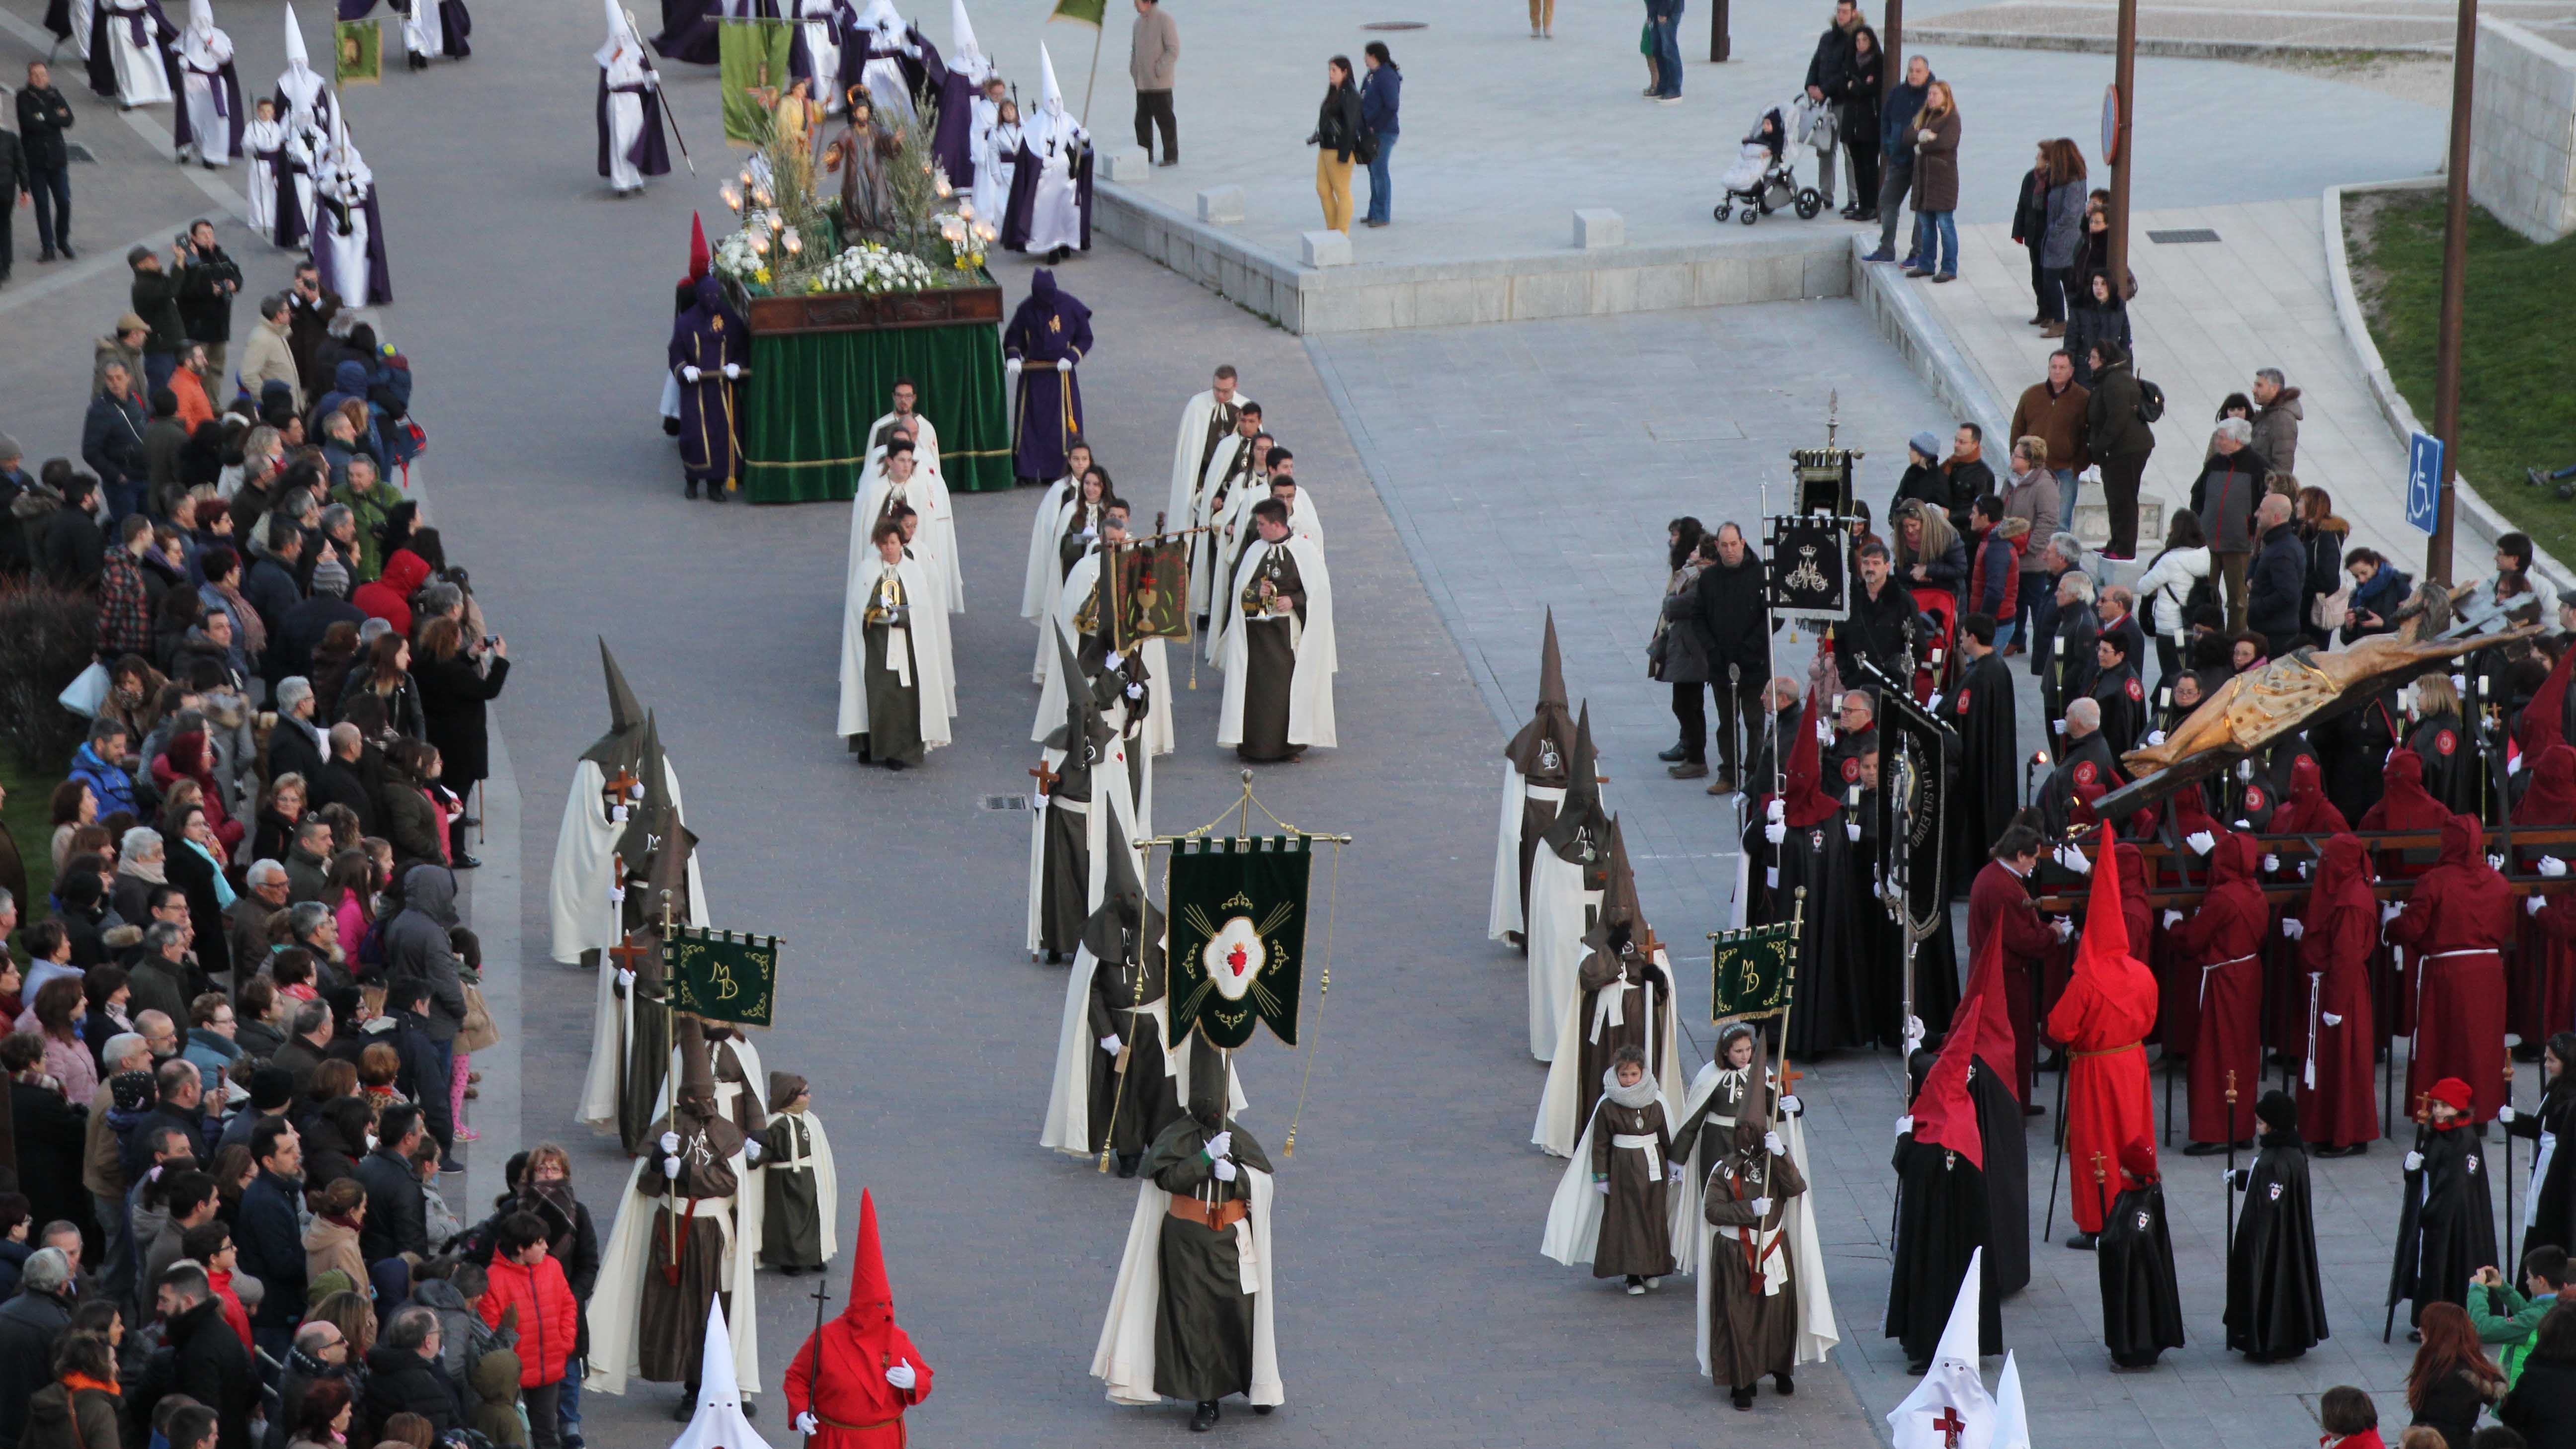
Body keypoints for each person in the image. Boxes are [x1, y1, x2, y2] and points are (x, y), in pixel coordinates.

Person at [1092, 1038, 1281, 1430]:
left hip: (1229, 1243)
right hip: (1186, 1245)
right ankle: (1206, 1398)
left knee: (1237, 1316)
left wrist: (1240, 1177)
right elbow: (1167, 1178)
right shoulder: (1176, 1137)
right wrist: (1205, 1159)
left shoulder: (1238, 1138)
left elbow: (1264, 1183)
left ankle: (1253, 1382)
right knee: (1195, 1322)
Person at [586, 1022, 764, 1415]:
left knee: (714, 1308)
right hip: (673, 1233)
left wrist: (684, 1173)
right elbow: (645, 1184)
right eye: (692, 1095)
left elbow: (728, 1180)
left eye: (704, 1095)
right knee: (679, 1311)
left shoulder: (728, 1134)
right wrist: (655, 1159)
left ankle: (719, 1381)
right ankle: (689, 1384)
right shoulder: (667, 1126)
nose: (699, 1102)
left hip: (713, 1237)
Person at [2048, 830, 2157, 1249]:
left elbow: (2059, 1029)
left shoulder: (2087, 979)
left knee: (2098, 1143)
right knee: (2132, 1133)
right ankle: (2140, 1208)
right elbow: (2149, 1017)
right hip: (2131, 1063)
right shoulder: (2142, 974)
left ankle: (2099, 1220)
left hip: (2095, 1068)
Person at [784, 1190, 932, 1446]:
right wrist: (799, 1412)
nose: (885, 1313)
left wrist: (913, 1381)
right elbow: (797, 1378)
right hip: (837, 1439)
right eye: (877, 1306)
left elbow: (924, 1377)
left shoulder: (897, 1339)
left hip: (884, 1439)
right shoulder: (828, 1339)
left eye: (888, 1305)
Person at [2391, 817, 2514, 1123]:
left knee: (2446, 1046)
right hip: (2487, 972)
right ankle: (2480, 1109)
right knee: (2481, 1046)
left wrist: (2390, 924)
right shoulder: (2498, 882)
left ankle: (2445, 1111)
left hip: (2449, 973)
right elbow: (2508, 930)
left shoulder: (2435, 881)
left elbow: (2413, 927)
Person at [1217, 499, 1335, 763]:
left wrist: (1293, 601)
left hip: (1286, 636)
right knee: (1256, 691)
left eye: (1261, 524)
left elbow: (1318, 593)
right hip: (1257, 637)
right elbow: (1238, 593)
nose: (1257, 529)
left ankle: (1287, 747)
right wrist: (1255, 592)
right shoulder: (1255, 551)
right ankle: (1252, 747)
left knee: (1284, 691)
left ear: (1277, 524)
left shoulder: (1304, 551)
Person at [836, 520, 957, 770]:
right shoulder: (867, 570)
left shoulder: (913, 572)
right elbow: (857, 607)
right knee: (874, 694)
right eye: (884, 543)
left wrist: (900, 617)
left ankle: (899, 751)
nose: (889, 548)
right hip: (875, 648)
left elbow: (923, 610)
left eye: (893, 543)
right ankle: (868, 747)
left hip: (905, 646)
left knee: (901, 699)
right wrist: (872, 613)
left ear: (901, 543)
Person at [1488, 613, 1576, 950]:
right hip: (1535, 817)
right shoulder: (1528, 741)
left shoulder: (1574, 739)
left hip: (1562, 813)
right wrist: (1513, 832)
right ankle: (1530, 934)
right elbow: (1516, 789)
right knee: (1532, 875)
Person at [2222, 1090, 2329, 1360]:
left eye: (2260, 1124)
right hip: (2289, 1237)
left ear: (2273, 1125)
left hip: (2270, 1241)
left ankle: (2268, 1341)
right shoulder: (2293, 1153)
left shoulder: (2275, 1160)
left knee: (2270, 1284)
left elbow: (2270, 1198)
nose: (2257, 1129)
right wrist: (2244, 1178)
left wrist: (2249, 1241)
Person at [2295, 834, 2383, 1157]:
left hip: (2341, 991)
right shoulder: (2349, 893)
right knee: (2343, 1062)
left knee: (2342, 1062)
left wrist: (2334, 1005)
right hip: (2339, 986)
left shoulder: (2351, 902)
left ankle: (2343, 1133)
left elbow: (2345, 956)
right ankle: (2339, 1129)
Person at [2397, 1077, 2502, 1332]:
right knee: (2432, 1267)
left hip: (2454, 1218)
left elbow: (2458, 1184)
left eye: (2445, 1106)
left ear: (2458, 1109)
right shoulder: (2436, 1134)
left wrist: (2432, 1214)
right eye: (2436, 1105)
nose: (2438, 1111)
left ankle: (2444, 1324)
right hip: (2435, 1211)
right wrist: (2411, 1168)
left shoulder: (2465, 1140)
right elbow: (2427, 1171)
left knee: (2446, 1266)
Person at [479, 1212, 578, 1449]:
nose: (546, 1246)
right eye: (540, 1242)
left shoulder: (552, 1267)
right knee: (517, 1436)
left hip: (549, 1370)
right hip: (514, 1379)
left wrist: (565, 1342)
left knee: (546, 1434)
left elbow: (568, 1305)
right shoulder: (493, 1279)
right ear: (521, 1249)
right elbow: (491, 1332)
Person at [2094, 1135, 2184, 1368]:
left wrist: (2106, 1242)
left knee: (2137, 1309)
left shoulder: (2143, 1203)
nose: (2121, 1170)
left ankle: (2135, 1350)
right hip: (2138, 1266)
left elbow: (2132, 1237)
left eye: (2125, 1167)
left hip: (2138, 1272)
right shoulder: (2140, 1192)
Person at [999, 47, 1091, 264]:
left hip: (1067, 177)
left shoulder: (1069, 120)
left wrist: (1085, 140)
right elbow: (1028, 153)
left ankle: (1067, 242)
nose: (1056, 105)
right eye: (1052, 101)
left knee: (1068, 212)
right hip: (1047, 180)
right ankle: (1050, 247)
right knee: (1048, 215)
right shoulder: (1036, 125)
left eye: (1058, 100)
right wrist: (1043, 162)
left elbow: (1082, 147)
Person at [1001, 268, 1090, 485]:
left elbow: (1085, 337)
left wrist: (1072, 357)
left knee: (1059, 426)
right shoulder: (1026, 309)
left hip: (1061, 375)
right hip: (1033, 374)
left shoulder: (1069, 306)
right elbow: (1014, 336)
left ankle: (1057, 470)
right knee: (1029, 424)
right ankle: (1027, 471)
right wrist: (1013, 355)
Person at [667, 276, 745, 501]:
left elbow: (741, 348)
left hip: (721, 390)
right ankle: (692, 480)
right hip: (697, 391)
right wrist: (684, 370)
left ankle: (715, 485)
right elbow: (676, 353)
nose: (712, 301)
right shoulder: (686, 323)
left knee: (721, 436)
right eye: (708, 297)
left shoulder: (730, 320)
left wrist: (737, 366)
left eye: (716, 297)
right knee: (695, 436)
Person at [758, 1074, 837, 1275]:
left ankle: (816, 1255)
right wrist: (753, 1153)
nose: (809, 1097)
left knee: (814, 1217)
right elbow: (762, 1155)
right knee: (788, 1221)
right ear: (789, 1097)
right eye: (804, 1094)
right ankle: (790, 1260)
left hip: (811, 1179)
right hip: (783, 1182)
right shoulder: (775, 1125)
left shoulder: (811, 1121)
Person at [596, 2, 670, 198]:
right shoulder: (609, 60)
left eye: (624, 36)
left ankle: (636, 178)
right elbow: (610, 83)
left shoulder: (637, 55)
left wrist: (652, 79)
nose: (621, 40)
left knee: (635, 140)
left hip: (635, 104)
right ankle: (621, 183)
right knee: (620, 142)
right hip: (618, 104)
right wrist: (614, 60)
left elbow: (644, 82)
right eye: (617, 37)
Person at [2410, 1300, 2506, 1448]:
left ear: (2440, 1333)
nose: (2419, 1330)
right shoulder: (2447, 1366)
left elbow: (2442, 1431)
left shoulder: (2449, 1378)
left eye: (2425, 1326)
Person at [1801, 0, 1860, 211]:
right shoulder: (1827, 37)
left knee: (1849, 151)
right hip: (1824, 104)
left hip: (1845, 103)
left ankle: (1855, 198)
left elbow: (1846, 72)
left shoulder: (1856, 40)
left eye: (1845, 12)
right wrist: (1810, 85)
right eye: (1839, 11)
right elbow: (1816, 62)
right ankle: (1826, 195)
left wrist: (1824, 89)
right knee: (1825, 148)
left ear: (1854, 13)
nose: (1841, 15)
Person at [17, 64, 77, 264]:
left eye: (42, 75)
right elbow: (29, 123)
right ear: (30, 77)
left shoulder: (55, 94)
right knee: (42, 205)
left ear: (47, 76)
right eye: (35, 75)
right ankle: (48, 247)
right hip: (35, 161)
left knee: (64, 202)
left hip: (58, 160)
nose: (39, 78)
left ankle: (63, 240)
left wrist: (44, 117)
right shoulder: (23, 97)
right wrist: (53, 117)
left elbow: (68, 120)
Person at [1904, 81, 1960, 282]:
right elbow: (1908, 135)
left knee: (1945, 225)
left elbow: (1946, 142)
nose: (1931, 98)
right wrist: (1923, 135)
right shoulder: (1923, 115)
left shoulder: (1952, 118)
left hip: (1943, 181)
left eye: (1936, 94)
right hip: (1923, 183)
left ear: (1946, 96)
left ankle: (1949, 268)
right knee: (1926, 226)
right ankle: (1926, 264)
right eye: (1930, 94)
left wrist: (1922, 147)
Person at [2247, 493, 2307, 660]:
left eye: (2261, 511)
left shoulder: (2283, 550)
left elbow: (2288, 593)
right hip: (2276, 629)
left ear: (2276, 517)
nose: (2256, 514)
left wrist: (2257, 606)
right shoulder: (2282, 543)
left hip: (2274, 634)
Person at [1308, 56, 1364, 233]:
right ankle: (1332, 230)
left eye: (1334, 70)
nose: (1331, 74)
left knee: (1342, 191)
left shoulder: (1351, 94)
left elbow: (1351, 126)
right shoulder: (1334, 92)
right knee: (1323, 189)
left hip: (1339, 149)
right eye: (1330, 70)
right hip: (1325, 147)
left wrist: (1344, 154)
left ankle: (1342, 233)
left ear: (1345, 72)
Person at [1128, 0, 1176, 164]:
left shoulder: (1165, 20)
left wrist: (1159, 70)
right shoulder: (1137, 24)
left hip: (1160, 85)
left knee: (1166, 121)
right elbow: (1134, 50)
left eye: (1136, 1)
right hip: (1142, 84)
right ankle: (1144, 157)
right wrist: (1134, 70)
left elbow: (1173, 49)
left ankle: (1171, 156)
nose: (1134, 4)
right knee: (1141, 122)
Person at [1359, 43, 1399, 227]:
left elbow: (1391, 106)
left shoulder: (1387, 77)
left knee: (1379, 171)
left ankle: (1382, 215)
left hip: (1384, 132)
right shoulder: (1372, 76)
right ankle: (1374, 211)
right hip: (1370, 131)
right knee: (1373, 171)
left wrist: (1376, 125)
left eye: (1366, 55)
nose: (1364, 59)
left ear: (1374, 56)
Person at [2252, 367, 2303, 478]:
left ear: (2274, 389)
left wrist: (2272, 492)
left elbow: (2283, 466)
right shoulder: (2268, 415)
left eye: (2259, 386)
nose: (2254, 390)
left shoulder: (2283, 419)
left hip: (2266, 491)